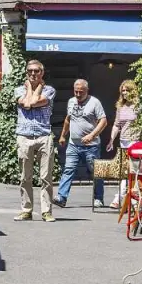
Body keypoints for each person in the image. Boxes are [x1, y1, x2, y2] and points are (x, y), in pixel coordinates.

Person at [13, 60, 57, 223]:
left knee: (46, 176)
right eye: (30, 71)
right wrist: (32, 88)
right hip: (24, 136)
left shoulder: (49, 90)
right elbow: (25, 103)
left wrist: (35, 88)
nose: (33, 74)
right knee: (25, 176)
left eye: (36, 71)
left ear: (42, 73)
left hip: (43, 135)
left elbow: (33, 102)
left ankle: (46, 211)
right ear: (26, 72)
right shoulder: (19, 89)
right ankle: (26, 210)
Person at [54, 79, 107, 208]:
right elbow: (68, 119)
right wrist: (62, 136)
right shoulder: (71, 101)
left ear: (87, 91)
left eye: (81, 92)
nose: (78, 94)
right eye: (76, 91)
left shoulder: (95, 102)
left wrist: (92, 135)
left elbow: (103, 121)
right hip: (73, 144)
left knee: (96, 172)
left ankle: (98, 198)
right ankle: (62, 197)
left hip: (91, 146)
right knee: (68, 169)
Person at [106, 80, 139, 209]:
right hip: (123, 140)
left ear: (132, 91)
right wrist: (111, 140)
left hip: (136, 141)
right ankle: (120, 198)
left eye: (127, 90)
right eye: (123, 91)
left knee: (134, 170)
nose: (124, 93)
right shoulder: (120, 107)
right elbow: (116, 125)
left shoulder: (138, 106)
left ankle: (133, 200)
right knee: (125, 170)